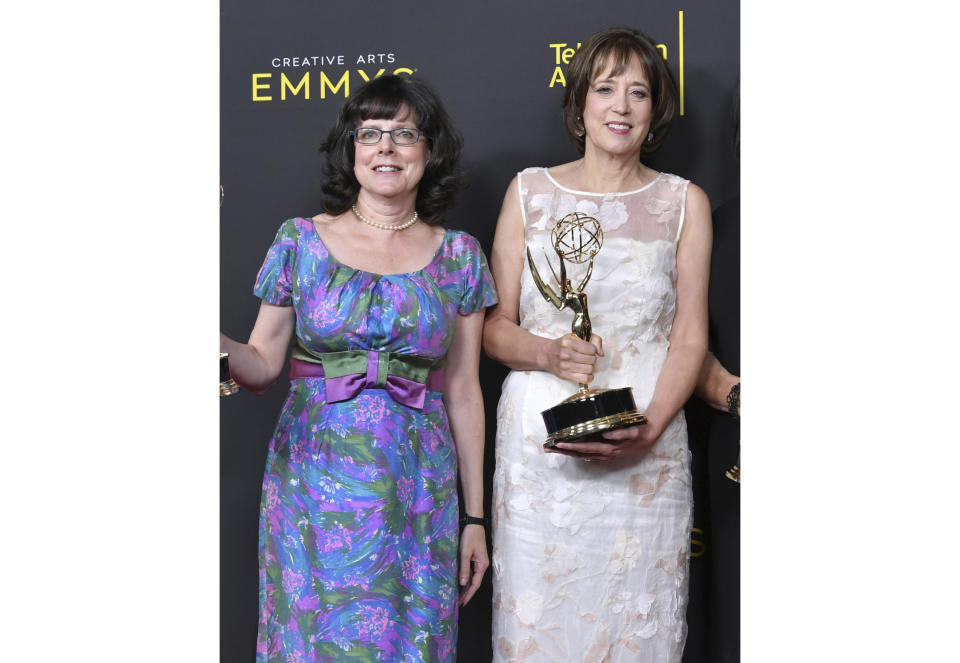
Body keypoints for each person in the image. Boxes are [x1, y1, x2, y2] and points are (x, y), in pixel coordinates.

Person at [220, 74, 497, 663]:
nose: (386, 148)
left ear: (430, 151)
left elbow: (467, 393)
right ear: (351, 149)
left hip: (419, 489)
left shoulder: (460, 256)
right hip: (311, 489)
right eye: (370, 133)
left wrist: (474, 517)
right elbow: (262, 362)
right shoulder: (300, 241)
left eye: (404, 134)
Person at [483, 28, 711, 662]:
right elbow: (494, 328)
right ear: (579, 102)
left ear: (655, 109)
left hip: (649, 449)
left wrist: (651, 425)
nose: (621, 106)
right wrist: (549, 353)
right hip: (542, 455)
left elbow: (689, 336)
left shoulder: (684, 202)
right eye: (605, 88)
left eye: (637, 92)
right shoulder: (528, 192)